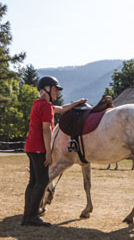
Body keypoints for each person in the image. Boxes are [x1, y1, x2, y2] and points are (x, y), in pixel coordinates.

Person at [22, 76, 86, 227]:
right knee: (42, 181)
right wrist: (49, 153)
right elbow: (46, 131)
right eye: (55, 89)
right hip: (38, 149)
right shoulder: (45, 106)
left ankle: (27, 215)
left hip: (30, 147)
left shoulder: (40, 104)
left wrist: (77, 103)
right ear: (47, 89)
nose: (57, 93)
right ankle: (32, 216)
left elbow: (63, 109)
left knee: (33, 182)